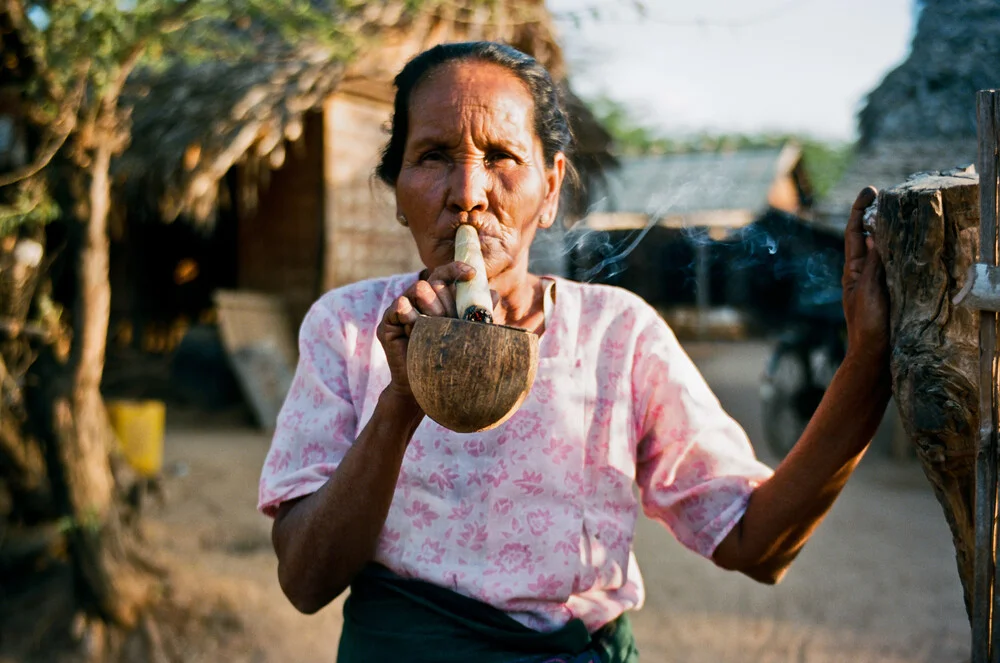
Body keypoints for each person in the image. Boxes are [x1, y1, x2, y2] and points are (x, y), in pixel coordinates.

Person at [258, 41, 890, 663]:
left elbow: (756, 544)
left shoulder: (617, 336)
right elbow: (306, 582)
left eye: (502, 155)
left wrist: (865, 368)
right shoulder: (348, 328)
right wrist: (402, 398)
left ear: (552, 187)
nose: (469, 192)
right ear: (397, 189)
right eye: (433, 156)